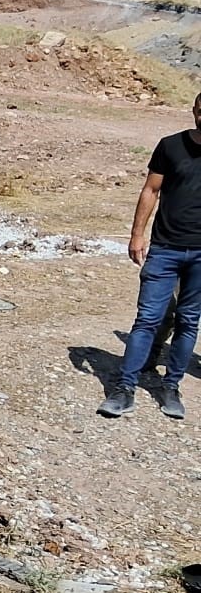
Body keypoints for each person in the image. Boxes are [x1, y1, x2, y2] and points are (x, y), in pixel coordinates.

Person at [97, 91, 201, 419]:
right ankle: (124, 388)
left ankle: (171, 386)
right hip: (165, 248)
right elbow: (150, 190)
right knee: (147, 319)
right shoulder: (170, 145)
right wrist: (137, 234)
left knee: (188, 321)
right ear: (194, 109)